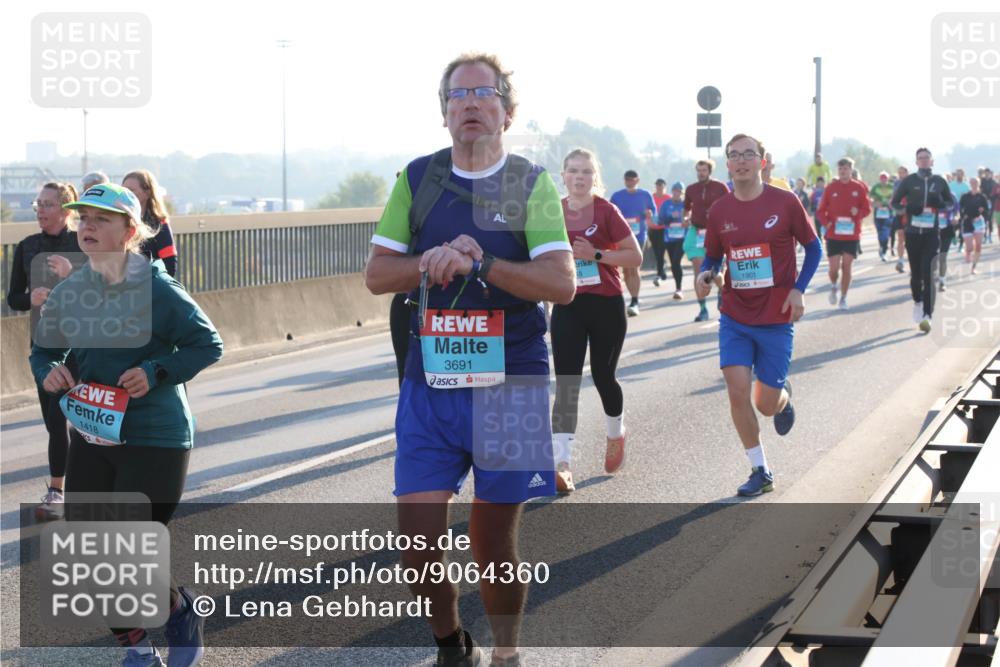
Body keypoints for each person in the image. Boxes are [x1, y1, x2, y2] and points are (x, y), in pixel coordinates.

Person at [363, 52, 574, 667]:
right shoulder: (418, 178)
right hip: (433, 378)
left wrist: (482, 263)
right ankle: (452, 644)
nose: (471, 104)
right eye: (458, 96)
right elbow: (377, 274)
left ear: (508, 111)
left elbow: (561, 283)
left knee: (493, 543)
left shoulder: (531, 182)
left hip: (513, 379)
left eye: (484, 94)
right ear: (444, 113)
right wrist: (435, 260)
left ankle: (506, 652)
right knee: (417, 541)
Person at [31, 183, 223, 667]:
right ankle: (136, 649)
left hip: (155, 438)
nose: (87, 227)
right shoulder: (72, 289)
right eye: (83, 219)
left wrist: (157, 372)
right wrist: (48, 370)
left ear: (130, 231)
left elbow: (208, 344)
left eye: (101, 219)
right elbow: (43, 350)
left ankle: (178, 608)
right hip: (93, 436)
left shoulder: (157, 288)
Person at [696, 134, 821, 497]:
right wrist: (707, 274)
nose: (741, 161)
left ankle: (782, 396)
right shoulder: (720, 209)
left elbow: (813, 248)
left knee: (765, 404)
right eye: (734, 156)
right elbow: (713, 256)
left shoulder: (784, 202)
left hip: (776, 316)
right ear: (728, 164)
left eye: (748, 154)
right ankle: (760, 470)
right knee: (737, 394)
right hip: (734, 314)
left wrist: (798, 289)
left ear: (762, 160)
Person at [551, 149, 642, 494]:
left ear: (594, 177)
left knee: (604, 376)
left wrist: (596, 255)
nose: (579, 176)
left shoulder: (606, 211)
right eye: (573, 170)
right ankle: (562, 463)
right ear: (563, 175)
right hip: (568, 305)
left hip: (606, 304)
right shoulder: (553, 211)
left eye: (586, 171)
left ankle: (616, 432)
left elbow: (634, 255)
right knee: (567, 382)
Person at [6, 182, 82, 521]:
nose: (40, 209)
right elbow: (12, 298)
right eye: (38, 203)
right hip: (45, 344)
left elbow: (108, 281)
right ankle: (58, 491)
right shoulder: (27, 247)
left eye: (48, 204)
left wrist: (73, 273)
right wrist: (31, 299)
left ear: (66, 210)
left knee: (84, 419)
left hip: (83, 342)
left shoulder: (81, 242)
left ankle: (64, 490)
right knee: (55, 421)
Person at [891, 148, 954, 333]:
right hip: (912, 233)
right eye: (921, 158)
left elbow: (950, 203)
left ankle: (928, 315)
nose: (924, 161)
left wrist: (941, 205)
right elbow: (894, 203)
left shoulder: (939, 181)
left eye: (927, 158)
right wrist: (908, 209)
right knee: (916, 275)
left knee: (929, 273)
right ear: (916, 162)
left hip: (931, 234)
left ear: (932, 161)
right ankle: (917, 301)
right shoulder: (909, 181)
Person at [815, 158, 870, 310]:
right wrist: (827, 223)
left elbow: (867, 209)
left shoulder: (858, 188)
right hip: (833, 234)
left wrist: (858, 212)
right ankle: (833, 285)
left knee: (847, 266)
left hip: (851, 235)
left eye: (846, 169)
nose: (843, 172)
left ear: (851, 170)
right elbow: (820, 211)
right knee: (834, 269)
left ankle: (843, 298)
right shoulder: (831, 187)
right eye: (840, 169)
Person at [683, 159, 729, 321]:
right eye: (698, 170)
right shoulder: (691, 189)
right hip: (696, 232)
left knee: (714, 272)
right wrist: (686, 218)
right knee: (699, 270)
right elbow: (686, 209)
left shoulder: (720, 187)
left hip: (715, 232)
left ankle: (722, 290)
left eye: (703, 170)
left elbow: (730, 205)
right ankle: (703, 309)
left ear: (710, 171)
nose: (700, 173)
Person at [610, 171, 656, 316]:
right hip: (622, 237)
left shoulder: (645, 194)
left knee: (634, 267)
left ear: (638, 180)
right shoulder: (617, 196)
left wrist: (649, 214)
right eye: (627, 179)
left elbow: (653, 211)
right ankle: (631, 297)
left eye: (632, 179)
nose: (629, 182)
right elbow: (609, 214)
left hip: (639, 235)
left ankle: (635, 300)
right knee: (626, 270)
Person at [122, 170, 178, 277]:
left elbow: (170, 264)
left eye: (131, 190)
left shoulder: (159, 224)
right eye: (123, 190)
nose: (126, 194)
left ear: (147, 192)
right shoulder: (120, 221)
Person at [657, 181, 687, 299]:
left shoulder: (686, 204)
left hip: (682, 237)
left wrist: (685, 221)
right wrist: (668, 220)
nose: (676, 193)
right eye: (674, 191)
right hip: (669, 238)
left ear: (682, 193)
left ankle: (679, 289)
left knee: (676, 261)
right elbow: (660, 220)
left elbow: (691, 219)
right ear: (672, 191)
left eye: (679, 191)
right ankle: (677, 287)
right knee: (674, 264)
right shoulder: (666, 204)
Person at [960, 177, 989, 273]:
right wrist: (963, 216)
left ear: (979, 184)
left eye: (976, 182)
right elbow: (960, 208)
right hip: (968, 222)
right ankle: (968, 252)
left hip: (979, 222)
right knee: (970, 248)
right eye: (972, 182)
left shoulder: (982, 197)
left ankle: (974, 267)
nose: (974, 184)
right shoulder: (965, 196)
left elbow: (987, 211)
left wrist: (983, 211)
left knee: (978, 245)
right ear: (969, 184)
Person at [647, 179, 669, 288]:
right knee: (656, 252)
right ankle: (662, 270)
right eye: (657, 185)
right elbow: (646, 211)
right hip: (653, 228)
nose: (659, 187)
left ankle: (659, 274)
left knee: (661, 251)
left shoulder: (668, 198)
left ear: (664, 186)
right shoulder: (651, 197)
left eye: (661, 185)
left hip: (664, 229)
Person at [869, 171, 895, 261]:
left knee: (886, 231)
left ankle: (884, 250)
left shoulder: (891, 187)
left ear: (887, 179)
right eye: (882, 178)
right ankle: (881, 247)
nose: (883, 180)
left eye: (885, 178)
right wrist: (875, 202)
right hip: (878, 211)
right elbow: (870, 196)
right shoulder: (876, 187)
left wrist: (890, 201)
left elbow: (895, 197)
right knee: (880, 231)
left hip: (889, 212)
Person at [891, 166, 909, 271]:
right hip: (899, 212)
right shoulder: (896, 183)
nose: (901, 175)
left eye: (903, 172)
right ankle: (900, 260)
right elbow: (894, 197)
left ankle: (913, 262)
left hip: (910, 213)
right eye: (899, 173)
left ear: (907, 173)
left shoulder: (912, 182)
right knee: (900, 236)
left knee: (909, 239)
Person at [981, 167, 997, 243]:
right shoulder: (982, 181)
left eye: (988, 173)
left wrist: (991, 196)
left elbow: (995, 193)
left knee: (989, 220)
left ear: (990, 173)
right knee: (984, 219)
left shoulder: (993, 182)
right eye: (985, 173)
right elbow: (980, 190)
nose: (987, 174)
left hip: (991, 202)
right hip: (983, 202)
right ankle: (984, 236)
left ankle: (990, 235)